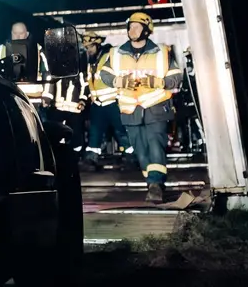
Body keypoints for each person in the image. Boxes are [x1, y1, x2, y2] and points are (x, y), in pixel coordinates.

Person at [100, 11, 185, 203]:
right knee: (140, 149)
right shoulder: (116, 53)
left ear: (147, 30)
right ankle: (151, 182)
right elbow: (104, 75)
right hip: (130, 110)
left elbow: (176, 76)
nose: (132, 30)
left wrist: (159, 82)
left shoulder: (161, 52)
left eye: (137, 26)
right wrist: (118, 81)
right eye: (130, 27)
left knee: (156, 144)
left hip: (156, 106)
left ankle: (156, 184)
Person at [83, 31, 132, 166]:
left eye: (91, 47)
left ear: (98, 45)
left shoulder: (109, 57)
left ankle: (131, 155)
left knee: (120, 129)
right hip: (98, 103)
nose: (89, 50)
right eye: (87, 47)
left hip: (113, 101)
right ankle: (92, 156)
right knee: (95, 130)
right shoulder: (91, 61)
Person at [45, 27, 89, 152]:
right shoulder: (55, 67)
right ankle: (60, 153)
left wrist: (82, 100)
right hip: (58, 107)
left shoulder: (78, 68)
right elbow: (50, 82)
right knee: (58, 132)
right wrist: (47, 97)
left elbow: (84, 85)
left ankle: (76, 155)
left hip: (74, 109)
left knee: (76, 133)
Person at [0, 20, 47, 107]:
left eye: (21, 33)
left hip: (33, 101)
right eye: (15, 33)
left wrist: (47, 96)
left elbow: (47, 73)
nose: (18, 36)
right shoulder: (1, 49)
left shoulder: (38, 49)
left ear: (27, 34)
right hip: (9, 99)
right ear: (11, 33)